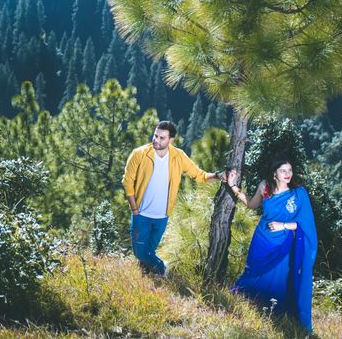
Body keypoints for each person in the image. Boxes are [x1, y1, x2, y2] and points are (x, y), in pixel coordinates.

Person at [122, 120, 223, 276]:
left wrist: (217, 176)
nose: (156, 140)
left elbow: (199, 175)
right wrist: (134, 208)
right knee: (139, 252)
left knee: (149, 252)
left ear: (171, 140)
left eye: (162, 138)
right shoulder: (140, 154)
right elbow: (127, 181)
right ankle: (163, 269)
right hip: (141, 214)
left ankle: (146, 282)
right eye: (155, 136)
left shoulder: (178, 156)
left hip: (162, 216)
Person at [227, 160, 317, 333]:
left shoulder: (298, 194)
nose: (287, 174)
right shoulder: (264, 187)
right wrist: (233, 186)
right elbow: (251, 204)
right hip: (261, 239)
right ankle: (246, 301)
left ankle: (275, 310)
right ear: (274, 173)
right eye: (283, 170)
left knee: (280, 278)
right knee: (252, 272)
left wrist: (282, 225)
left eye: (289, 170)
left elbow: (305, 225)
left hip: (283, 244)